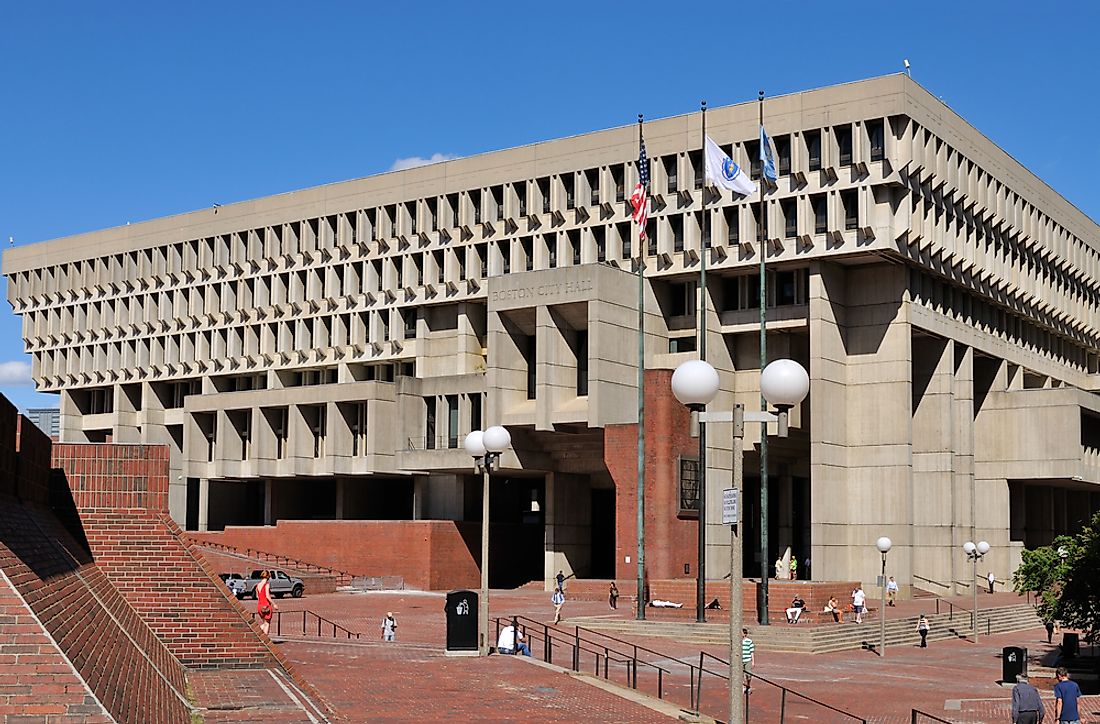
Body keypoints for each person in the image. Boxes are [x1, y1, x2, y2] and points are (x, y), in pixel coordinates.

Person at [255, 570, 276, 635]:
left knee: (264, 623)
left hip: (260, 606)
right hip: (266, 605)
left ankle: (257, 633)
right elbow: (267, 596)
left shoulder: (257, 586)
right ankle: (264, 639)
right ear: (268, 577)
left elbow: (257, 596)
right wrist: (274, 604)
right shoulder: (266, 585)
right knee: (267, 624)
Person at [740, 628, 754, 694]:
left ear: (745, 634)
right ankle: (743, 686)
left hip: (748, 660)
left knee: (748, 675)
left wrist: (753, 661)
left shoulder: (749, 641)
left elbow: (752, 652)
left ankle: (748, 685)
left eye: (741, 633)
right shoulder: (739, 641)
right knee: (741, 675)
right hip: (740, 660)